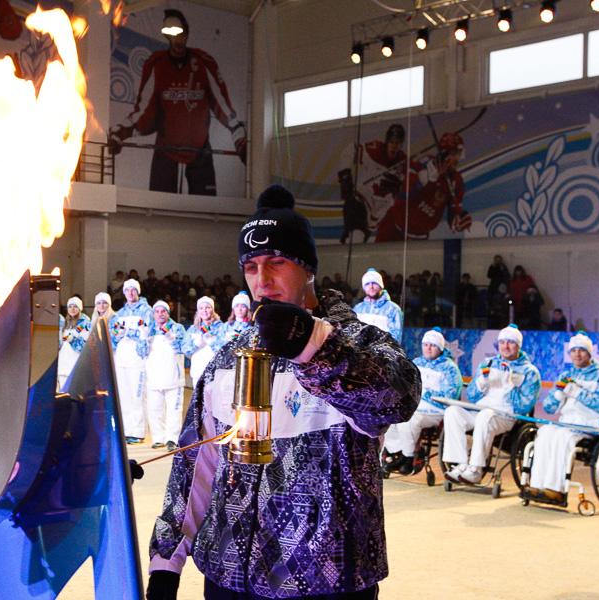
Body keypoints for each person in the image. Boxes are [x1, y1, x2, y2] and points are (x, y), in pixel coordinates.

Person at [146, 184, 420, 600]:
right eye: (251, 266)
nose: (263, 280)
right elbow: (195, 467)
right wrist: (167, 562)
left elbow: (397, 397)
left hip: (326, 582)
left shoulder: (360, 343)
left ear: (307, 268)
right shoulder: (228, 359)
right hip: (229, 576)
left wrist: (313, 348)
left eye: (277, 262)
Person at [107, 9, 247, 195]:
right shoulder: (156, 64)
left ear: (187, 34)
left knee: (207, 208)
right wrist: (120, 133)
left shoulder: (203, 62)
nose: (178, 41)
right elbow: (144, 112)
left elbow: (224, 106)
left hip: (200, 153)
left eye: (181, 35)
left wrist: (239, 138)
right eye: (172, 36)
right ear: (167, 37)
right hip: (165, 152)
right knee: (158, 206)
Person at [525, 332, 599, 502]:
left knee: (562, 437)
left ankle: (556, 489)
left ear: (589, 353)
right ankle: (537, 485)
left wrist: (577, 392)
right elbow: (548, 408)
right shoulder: (566, 376)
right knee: (545, 433)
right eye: (573, 350)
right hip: (568, 423)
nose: (577, 354)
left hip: (591, 425)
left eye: (581, 350)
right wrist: (557, 396)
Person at [442, 325, 541, 485]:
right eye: (502, 342)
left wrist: (512, 387)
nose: (506, 346)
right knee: (452, 412)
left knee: (485, 416)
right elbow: (472, 396)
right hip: (479, 411)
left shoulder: (530, 372)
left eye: (511, 342)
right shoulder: (488, 363)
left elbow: (524, 407)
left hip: (504, 415)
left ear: (518, 345)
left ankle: (475, 469)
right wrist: (481, 384)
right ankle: (460, 463)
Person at [382, 328, 462, 475]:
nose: (428, 348)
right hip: (414, 404)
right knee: (389, 414)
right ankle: (396, 451)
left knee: (409, 418)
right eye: (425, 344)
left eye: (433, 345)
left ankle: (409, 457)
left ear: (440, 348)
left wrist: (425, 394)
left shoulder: (449, 368)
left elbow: (451, 394)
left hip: (435, 410)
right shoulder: (417, 362)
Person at [337, 123, 406, 242]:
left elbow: (410, 184)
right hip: (361, 199)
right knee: (356, 235)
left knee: (359, 239)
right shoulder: (375, 150)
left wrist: (398, 187)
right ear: (387, 141)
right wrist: (345, 176)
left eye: (398, 143)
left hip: (377, 213)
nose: (394, 146)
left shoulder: (403, 162)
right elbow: (350, 150)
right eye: (392, 142)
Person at [109, 279, 153, 444]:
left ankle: (138, 431)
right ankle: (126, 430)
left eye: (133, 290)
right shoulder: (120, 313)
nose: (130, 293)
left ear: (138, 291)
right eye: (127, 290)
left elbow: (147, 333)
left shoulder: (147, 311)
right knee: (124, 394)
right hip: (122, 356)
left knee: (137, 394)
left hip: (137, 357)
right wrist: (119, 333)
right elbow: (114, 333)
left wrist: (128, 331)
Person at [145, 300, 187, 451]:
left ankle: (172, 439)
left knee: (173, 410)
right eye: (157, 311)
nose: (160, 314)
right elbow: (141, 351)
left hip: (173, 376)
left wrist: (170, 337)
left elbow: (183, 348)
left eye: (163, 311)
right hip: (154, 375)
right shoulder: (149, 330)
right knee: (154, 409)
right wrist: (143, 339)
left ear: (168, 313)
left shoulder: (178, 328)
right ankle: (158, 438)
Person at [183, 296, 227, 388]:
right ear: (198, 311)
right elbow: (185, 350)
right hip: (197, 373)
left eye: (207, 307)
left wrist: (212, 341)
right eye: (201, 308)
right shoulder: (193, 329)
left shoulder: (221, 327)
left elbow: (225, 351)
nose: (204, 310)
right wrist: (196, 344)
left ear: (213, 310)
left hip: (215, 373)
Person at [353, 268, 403, 342]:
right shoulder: (357, 309)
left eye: (374, 283)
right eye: (367, 284)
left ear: (381, 286)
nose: (371, 286)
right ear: (364, 288)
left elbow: (396, 339)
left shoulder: (393, 309)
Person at [57, 296, 91, 391]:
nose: (72, 309)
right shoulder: (65, 322)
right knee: (63, 390)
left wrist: (73, 340)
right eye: (70, 306)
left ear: (80, 308)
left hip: (76, 361)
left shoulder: (85, 323)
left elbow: (85, 344)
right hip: (64, 362)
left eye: (75, 306)